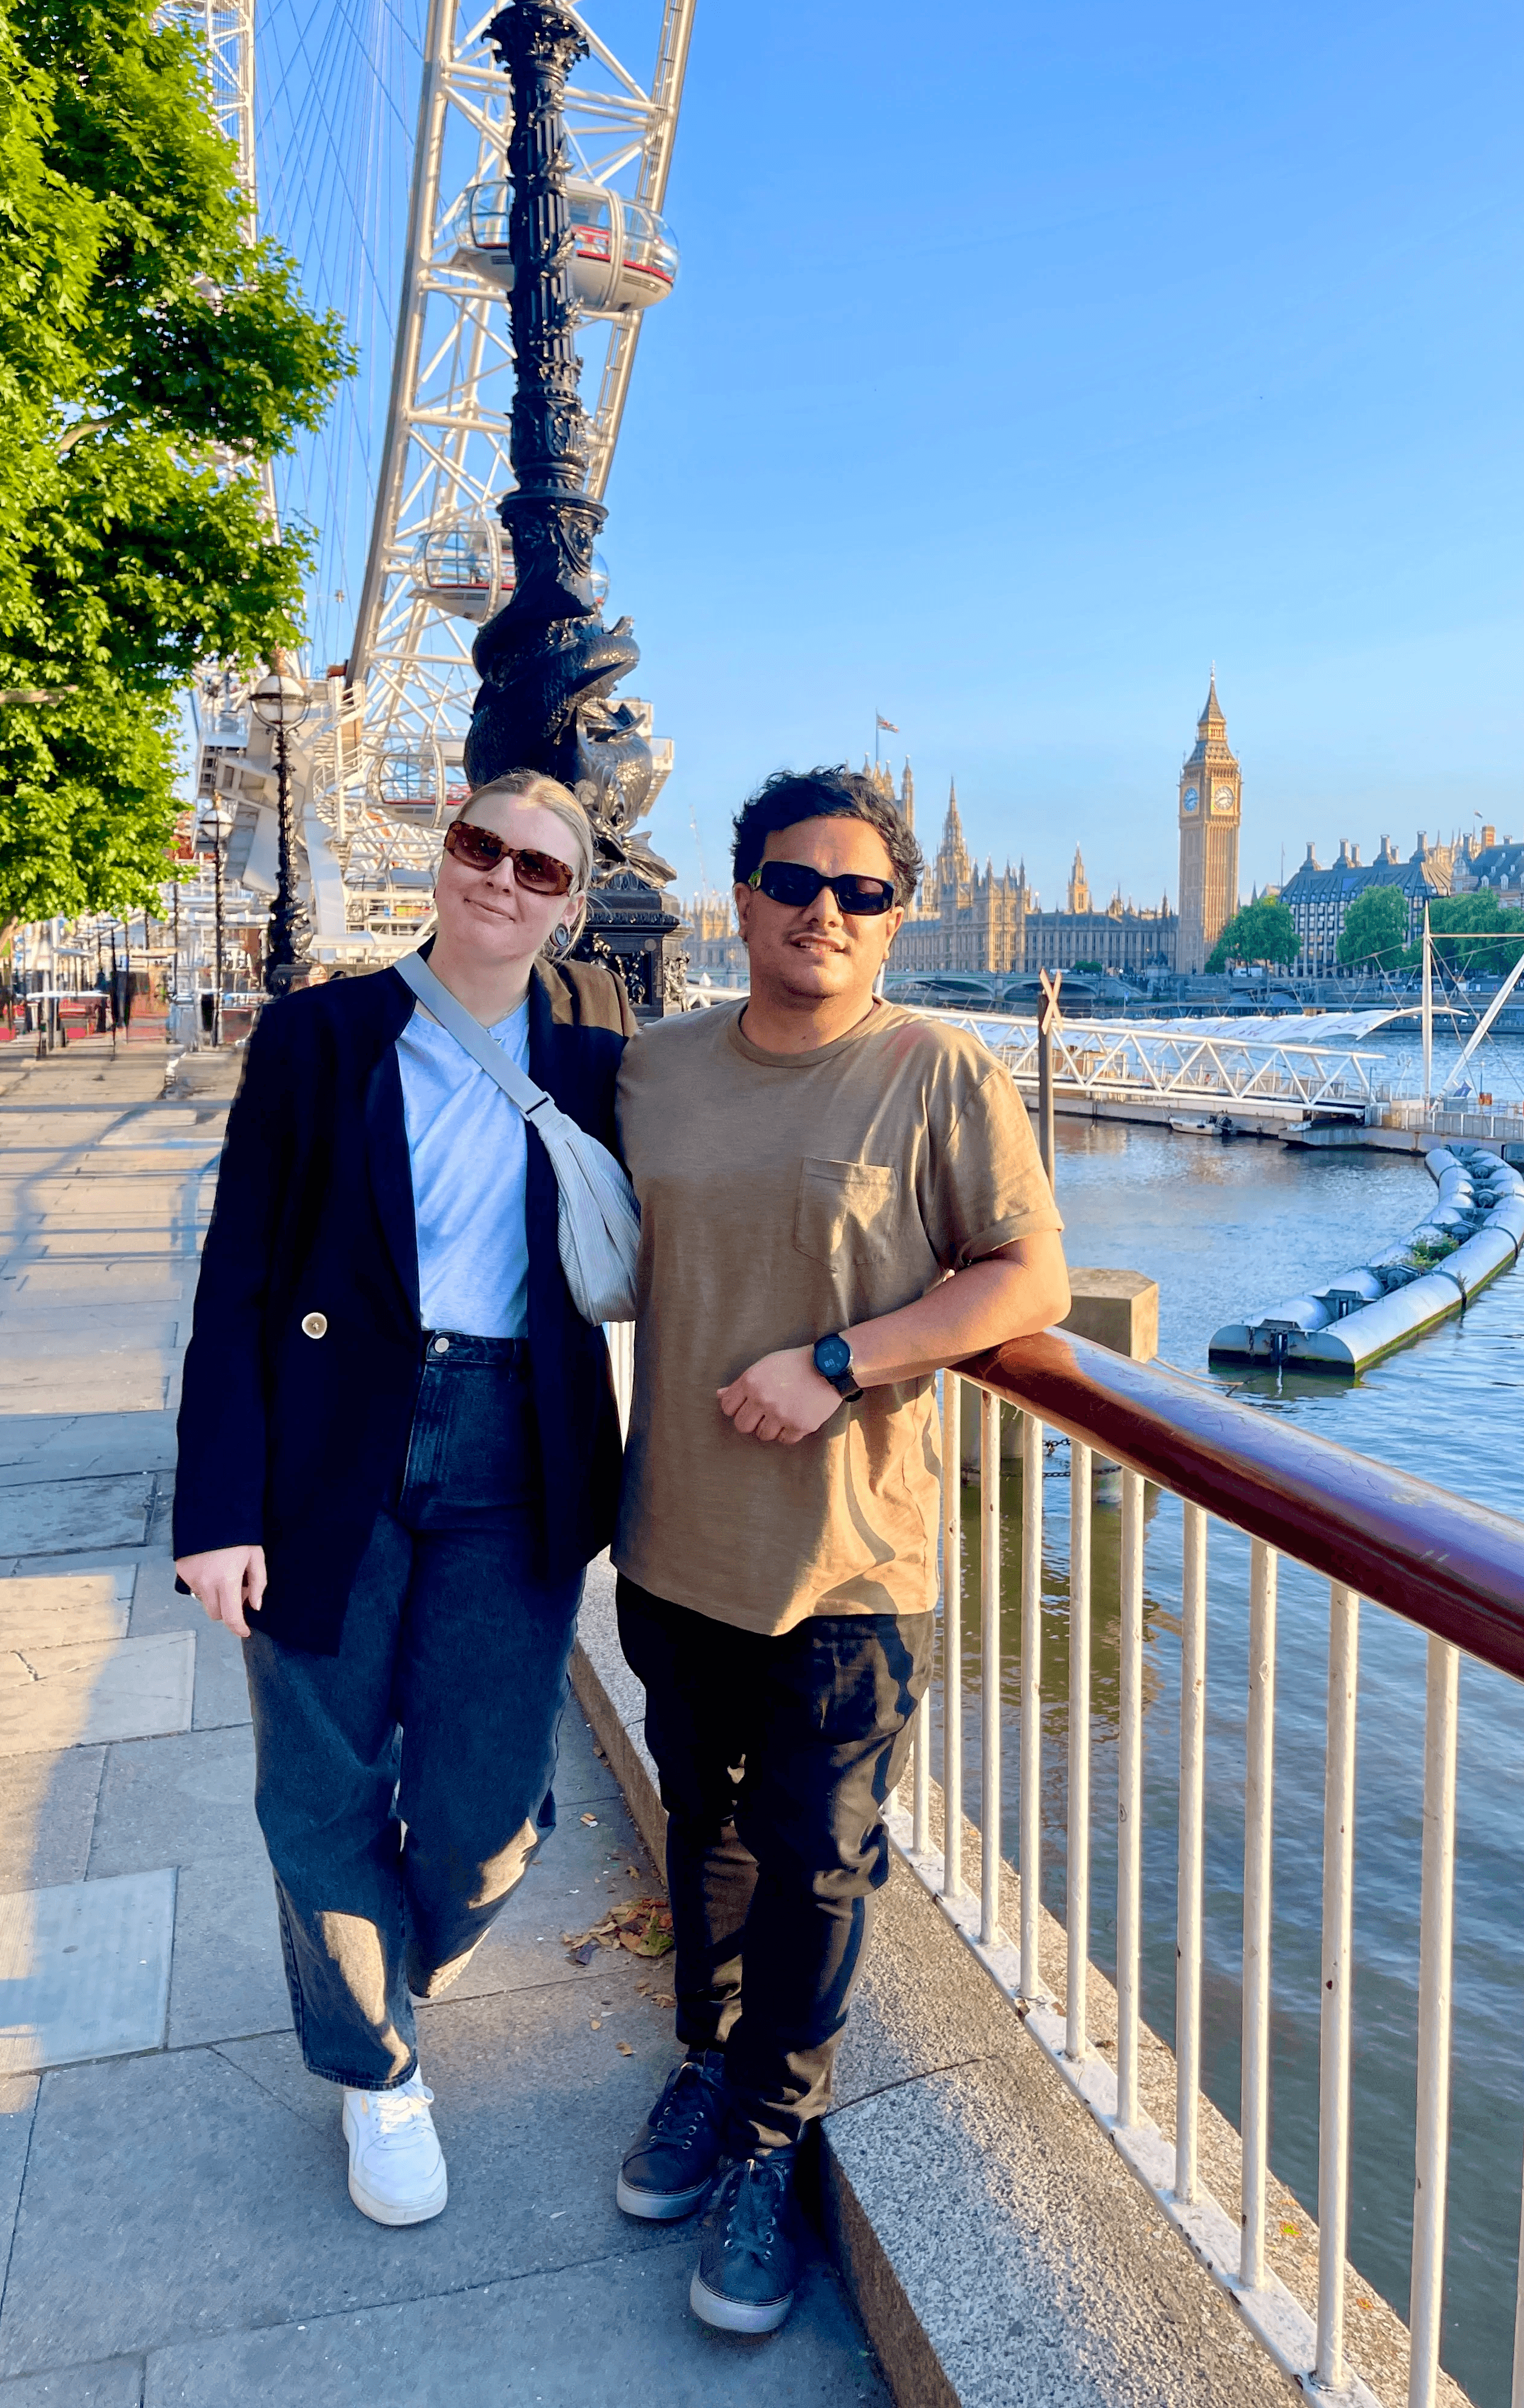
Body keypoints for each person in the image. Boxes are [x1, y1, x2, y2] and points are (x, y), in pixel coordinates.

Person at [610, 765, 1069, 2334]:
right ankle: (705, 2061)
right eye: (796, 883)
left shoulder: (936, 1070)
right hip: (675, 1536)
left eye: (861, 891)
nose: (826, 912)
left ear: (897, 915)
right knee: (708, 1825)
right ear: (739, 899)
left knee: (817, 1856)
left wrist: (840, 1360)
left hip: (850, 1558)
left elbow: (1026, 1277)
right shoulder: (654, 1070)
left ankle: (765, 2138)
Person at [173, 771, 632, 2228]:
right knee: (320, 1777)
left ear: (571, 904)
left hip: (519, 1447)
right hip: (332, 1443)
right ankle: (377, 2070)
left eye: (539, 868)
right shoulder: (319, 1038)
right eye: (480, 846)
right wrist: (216, 1509)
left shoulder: (602, 1057)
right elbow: (239, 1277)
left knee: (488, 1811)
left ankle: (377, 1958)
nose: (501, 878)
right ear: (445, 857)